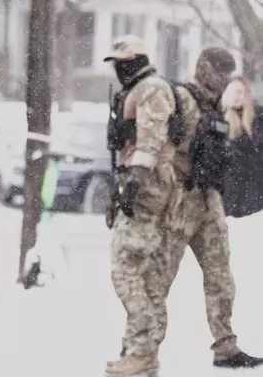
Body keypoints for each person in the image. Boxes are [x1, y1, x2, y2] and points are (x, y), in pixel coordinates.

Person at [166, 49, 263, 369]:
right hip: (181, 200)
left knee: (221, 277)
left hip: (210, 201)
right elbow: (163, 149)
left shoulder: (217, 106)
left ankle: (226, 346)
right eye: (221, 74)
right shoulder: (180, 98)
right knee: (161, 276)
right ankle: (142, 346)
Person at [102, 35, 179, 377]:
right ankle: (141, 349)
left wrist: (135, 179)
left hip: (147, 186)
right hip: (137, 182)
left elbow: (151, 136)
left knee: (126, 269)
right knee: (147, 275)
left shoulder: (151, 88)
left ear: (138, 59)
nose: (119, 68)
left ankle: (143, 350)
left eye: (123, 61)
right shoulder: (136, 88)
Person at [221, 76, 263, 218]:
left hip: (255, 192)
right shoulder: (218, 120)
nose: (236, 96)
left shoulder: (258, 117)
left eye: (239, 92)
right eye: (232, 91)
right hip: (229, 195)